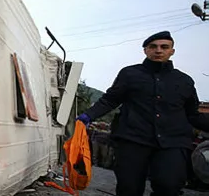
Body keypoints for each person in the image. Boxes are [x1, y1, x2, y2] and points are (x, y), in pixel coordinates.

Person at [76, 31, 209, 196]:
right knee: (129, 188)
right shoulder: (129, 74)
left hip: (172, 143)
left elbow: (193, 114)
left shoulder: (185, 81)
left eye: (164, 47)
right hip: (133, 139)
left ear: (172, 51)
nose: (158, 50)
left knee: (169, 186)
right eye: (153, 47)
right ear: (145, 50)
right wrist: (87, 116)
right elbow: (110, 100)